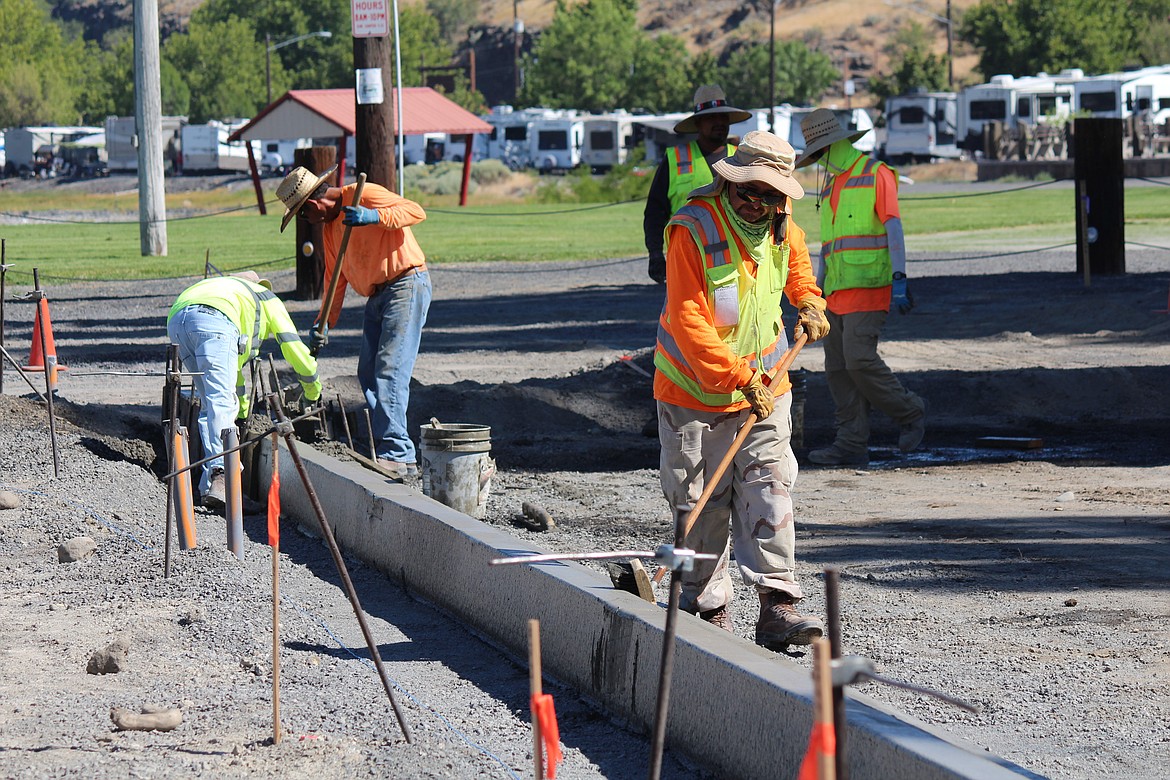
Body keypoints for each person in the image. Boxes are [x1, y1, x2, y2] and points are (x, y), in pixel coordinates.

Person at [654, 130, 831, 652]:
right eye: (747, 192)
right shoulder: (692, 229)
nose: (757, 204)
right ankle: (707, 611)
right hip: (694, 393)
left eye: (770, 195)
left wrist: (809, 300)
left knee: (770, 488)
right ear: (731, 183)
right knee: (701, 505)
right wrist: (737, 378)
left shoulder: (782, 225)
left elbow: (796, 267)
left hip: (766, 388)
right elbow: (689, 319)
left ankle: (778, 607)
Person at [276, 165, 432, 478]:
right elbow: (335, 280)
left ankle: (397, 452)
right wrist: (323, 324)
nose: (305, 222)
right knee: (368, 372)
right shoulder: (329, 230)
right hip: (377, 295)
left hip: (406, 283)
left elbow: (415, 211)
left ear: (314, 205)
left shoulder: (364, 194)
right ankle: (393, 448)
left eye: (302, 215)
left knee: (389, 369)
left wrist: (374, 217)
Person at [795, 108, 926, 467]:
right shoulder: (831, 181)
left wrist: (900, 277)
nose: (816, 160)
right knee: (837, 368)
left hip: (870, 287)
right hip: (836, 292)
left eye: (818, 152)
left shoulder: (875, 174)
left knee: (858, 360)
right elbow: (830, 245)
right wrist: (816, 294)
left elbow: (893, 228)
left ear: (832, 146)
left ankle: (910, 412)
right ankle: (851, 443)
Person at [167, 271, 322, 510]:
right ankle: (223, 478)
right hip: (214, 321)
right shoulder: (264, 295)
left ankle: (209, 486)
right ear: (257, 285)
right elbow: (294, 347)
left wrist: (240, 413)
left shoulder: (222, 290)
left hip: (177, 321)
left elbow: (234, 377)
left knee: (210, 403)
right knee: (219, 401)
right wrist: (313, 392)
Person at [643, 85, 751, 284]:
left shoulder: (741, 157)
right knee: (686, 315)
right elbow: (655, 212)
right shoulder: (675, 158)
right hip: (686, 259)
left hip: (735, 262)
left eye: (723, 117)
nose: (719, 122)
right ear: (698, 123)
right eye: (712, 117)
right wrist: (655, 254)